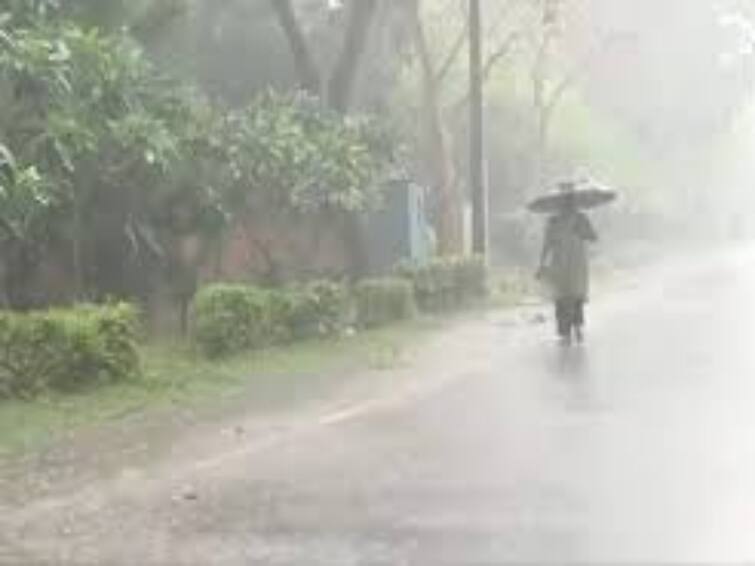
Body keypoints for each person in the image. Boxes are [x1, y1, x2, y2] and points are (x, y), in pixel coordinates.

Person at [537, 183, 598, 345]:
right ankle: (565, 333)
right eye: (564, 200)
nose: (567, 203)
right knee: (561, 297)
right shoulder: (553, 221)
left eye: (569, 200)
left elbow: (593, 237)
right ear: (559, 203)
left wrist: (582, 231)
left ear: (574, 202)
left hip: (577, 262)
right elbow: (547, 244)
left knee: (576, 295)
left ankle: (577, 327)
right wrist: (542, 263)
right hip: (559, 263)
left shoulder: (581, 218)